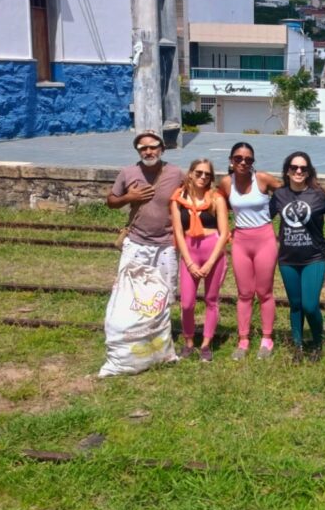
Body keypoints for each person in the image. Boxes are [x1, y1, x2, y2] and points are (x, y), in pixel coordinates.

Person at [269, 151, 325, 363]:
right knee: (295, 304)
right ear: (287, 171)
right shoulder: (279, 195)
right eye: (294, 168)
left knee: (310, 305)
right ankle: (298, 346)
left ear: (309, 171)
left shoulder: (318, 195)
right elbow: (261, 218)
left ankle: (317, 344)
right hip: (288, 259)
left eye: (303, 168)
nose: (299, 171)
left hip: (314, 257)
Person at [219, 142, 281, 360]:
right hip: (241, 241)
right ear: (231, 160)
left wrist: (272, 214)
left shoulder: (262, 179)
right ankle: (243, 340)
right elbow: (217, 206)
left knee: (264, 292)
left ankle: (267, 339)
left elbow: (285, 194)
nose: (243, 162)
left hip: (264, 238)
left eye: (248, 159)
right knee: (244, 293)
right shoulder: (227, 183)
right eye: (238, 158)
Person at [106, 130, 184, 305]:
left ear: (162, 149)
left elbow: (192, 198)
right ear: (138, 151)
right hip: (136, 242)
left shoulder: (176, 173)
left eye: (153, 147)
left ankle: (161, 330)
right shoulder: (128, 172)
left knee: (164, 293)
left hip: (167, 244)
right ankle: (133, 329)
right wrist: (129, 198)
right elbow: (111, 201)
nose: (148, 152)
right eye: (143, 148)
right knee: (129, 290)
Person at [170, 159, 229, 362]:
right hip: (190, 252)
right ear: (190, 173)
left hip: (212, 250)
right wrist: (189, 262)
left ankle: (205, 343)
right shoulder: (178, 199)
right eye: (199, 173)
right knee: (187, 303)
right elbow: (178, 232)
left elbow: (224, 233)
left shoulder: (216, 199)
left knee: (211, 300)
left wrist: (211, 262)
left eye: (207, 174)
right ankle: (188, 341)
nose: (203, 177)